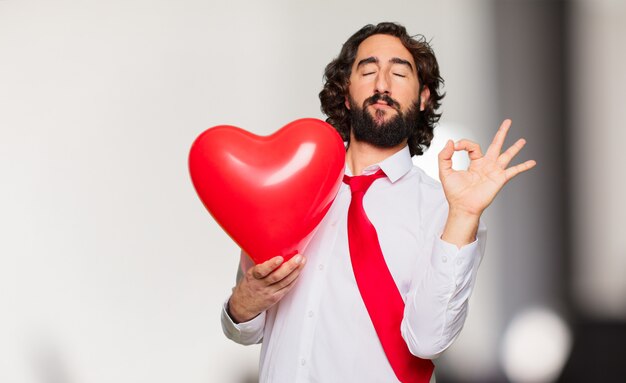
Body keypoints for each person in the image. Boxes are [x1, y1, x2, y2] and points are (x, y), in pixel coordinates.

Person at [220, 22, 536, 382]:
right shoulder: (290, 191)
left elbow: (428, 341)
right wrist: (240, 305)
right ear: (345, 93)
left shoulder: (446, 213)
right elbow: (246, 329)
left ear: (422, 98)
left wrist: (463, 214)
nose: (382, 84)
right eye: (368, 70)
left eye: (399, 73)